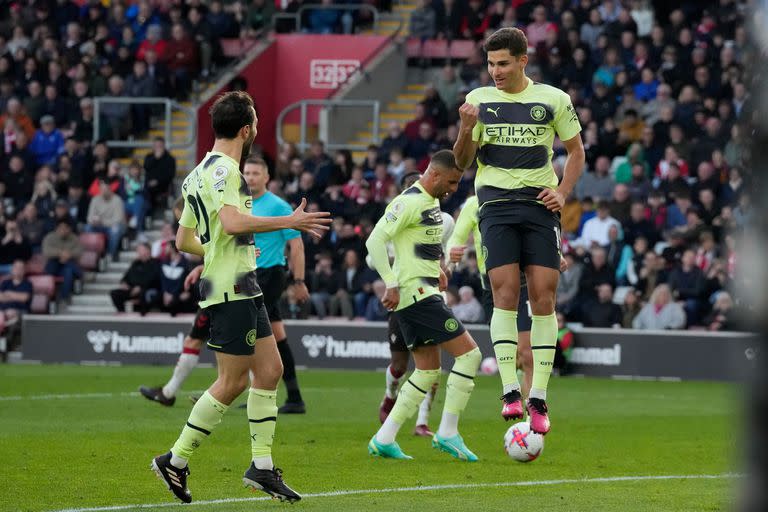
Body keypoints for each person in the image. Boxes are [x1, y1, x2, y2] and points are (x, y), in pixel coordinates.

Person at [150, 91, 330, 504]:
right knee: (231, 382)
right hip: (229, 286)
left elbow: (182, 240)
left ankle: (262, 467)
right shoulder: (228, 172)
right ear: (247, 129)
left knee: (269, 370)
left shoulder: (196, 174)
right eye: (257, 120)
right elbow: (231, 223)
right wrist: (291, 221)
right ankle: (175, 460)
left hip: (239, 282)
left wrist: (213, 252)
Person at [453, 27, 584, 434]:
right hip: (495, 206)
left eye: (503, 63)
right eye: (491, 64)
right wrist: (463, 129)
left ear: (523, 60)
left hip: (539, 206)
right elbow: (460, 163)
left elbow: (576, 151)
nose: (496, 71)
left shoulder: (554, 99)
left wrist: (563, 192)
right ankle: (510, 390)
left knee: (544, 296)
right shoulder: (477, 101)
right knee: (505, 292)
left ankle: (539, 396)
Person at [367, 150, 482, 462]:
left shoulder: (432, 201)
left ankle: (384, 438)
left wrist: (437, 269)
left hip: (423, 289)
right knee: (471, 356)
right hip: (415, 295)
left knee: (428, 371)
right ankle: (447, 432)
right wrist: (390, 281)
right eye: (452, 181)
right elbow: (375, 241)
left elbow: (416, 245)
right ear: (433, 174)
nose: (454, 188)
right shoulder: (410, 201)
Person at [372, 170, 455, 439]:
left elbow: (442, 256)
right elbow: (372, 256)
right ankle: (390, 396)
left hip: (431, 297)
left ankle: (422, 421)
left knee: (433, 366)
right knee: (399, 364)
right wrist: (393, 277)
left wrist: (446, 267)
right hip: (405, 298)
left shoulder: (444, 220)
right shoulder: (397, 217)